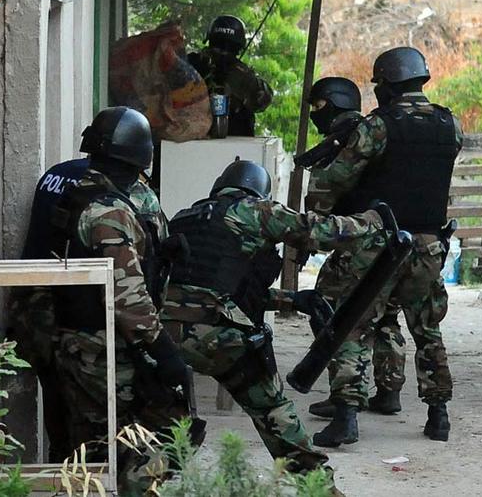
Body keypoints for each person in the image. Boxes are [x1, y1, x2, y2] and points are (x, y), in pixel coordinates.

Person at [160, 159, 388, 487]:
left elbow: (221, 289)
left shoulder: (184, 218)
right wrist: (372, 221)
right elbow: (321, 232)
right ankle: (320, 489)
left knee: (158, 427)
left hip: (166, 337)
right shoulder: (256, 211)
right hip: (221, 337)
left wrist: (292, 300)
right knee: (276, 416)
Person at [309, 48, 461, 447]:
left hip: (382, 244)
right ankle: (438, 415)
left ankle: (346, 417)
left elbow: (337, 178)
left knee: (353, 325)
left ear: (388, 84)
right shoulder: (450, 124)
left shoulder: (379, 126)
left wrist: (322, 216)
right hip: (429, 245)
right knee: (427, 329)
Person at [49, 107, 190, 492]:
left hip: (81, 340)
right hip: (102, 348)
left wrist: (158, 249)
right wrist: (164, 352)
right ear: (139, 158)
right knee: (138, 448)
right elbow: (127, 296)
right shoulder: (110, 209)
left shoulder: (81, 193)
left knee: (89, 450)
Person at [303, 76, 408, 419]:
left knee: (332, 310)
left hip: (357, 239)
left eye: (318, 106)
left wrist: (310, 235)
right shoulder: (377, 132)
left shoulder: (344, 139)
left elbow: (324, 190)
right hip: (392, 239)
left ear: (334, 103)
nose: (315, 113)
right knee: (386, 314)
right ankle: (389, 389)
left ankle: (345, 395)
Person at [9, 157, 88, 462]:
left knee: (53, 388)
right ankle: (72, 469)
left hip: (29, 303)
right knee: (80, 399)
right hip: (65, 308)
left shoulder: (57, 173)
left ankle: (60, 465)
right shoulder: (104, 184)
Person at [188, 15, 273, 136]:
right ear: (239, 48)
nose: (221, 56)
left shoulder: (190, 64)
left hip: (197, 142)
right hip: (223, 144)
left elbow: (263, 98)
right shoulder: (192, 64)